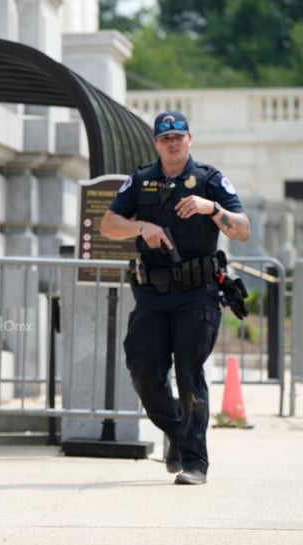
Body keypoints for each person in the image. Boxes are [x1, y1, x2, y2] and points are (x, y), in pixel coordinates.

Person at [99, 110, 250, 485]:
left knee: (188, 372)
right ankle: (179, 433)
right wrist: (142, 226)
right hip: (152, 290)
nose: (173, 143)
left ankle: (195, 462)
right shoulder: (141, 179)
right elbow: (108, 225)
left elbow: (243, 230)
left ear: (189, 140)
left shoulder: (210, 180)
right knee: (143, 369)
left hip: (197, 293)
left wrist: (210, 208)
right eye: (165, 138)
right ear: (156, 143)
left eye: (179, 137)